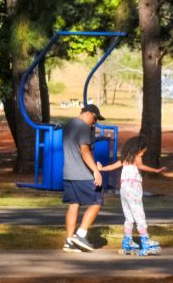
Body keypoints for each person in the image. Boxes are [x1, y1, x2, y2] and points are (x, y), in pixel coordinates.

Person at [100, 135, 166, 256]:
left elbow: (111, 167)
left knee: (129, 216)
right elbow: (141, 166)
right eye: (144, 150)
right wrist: (156, 170)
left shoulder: (125, 159)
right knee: (139, 213)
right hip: (133, 188)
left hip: (123, 189)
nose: (144, 152)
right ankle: (145, 240)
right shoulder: (137, 157)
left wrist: (101, 168)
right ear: (139, 148)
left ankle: (127, 241)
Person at [61, 103, 106, 253]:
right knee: (97, 200)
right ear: (88, 114)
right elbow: (85, 151)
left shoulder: (68, 125)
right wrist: (95, 171)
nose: (95, 123)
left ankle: (69, 241)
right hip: (82, 174)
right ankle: (80, 235)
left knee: (74, 204)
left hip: (68, 173)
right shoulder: (84, 127)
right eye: (95, 119)